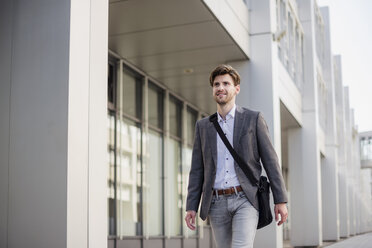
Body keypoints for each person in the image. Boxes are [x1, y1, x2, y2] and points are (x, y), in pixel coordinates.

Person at [184, 65, 288, 248]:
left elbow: (271, 161)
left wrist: (281, 200)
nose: (220, 88)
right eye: (216, 84)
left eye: (226, 83)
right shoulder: (203, 126)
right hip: (215, 203)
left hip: (245, 199)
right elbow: (197, 170)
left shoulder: (253, 119)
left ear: (236, 89)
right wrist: (191, 206)